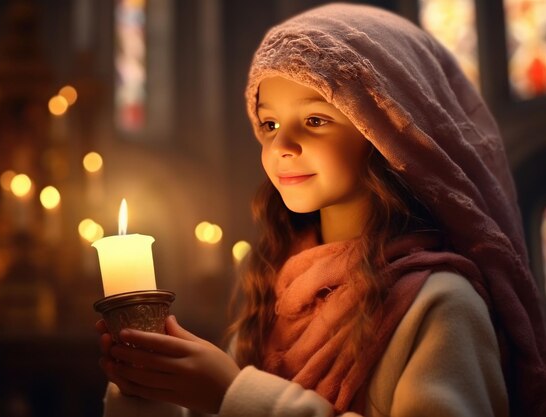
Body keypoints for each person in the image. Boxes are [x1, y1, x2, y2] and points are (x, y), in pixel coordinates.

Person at [95, 3, 546, 416]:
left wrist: (232, 393)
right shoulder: (275, 299)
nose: (282, 145)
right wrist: (150, 391)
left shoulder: (442, 304)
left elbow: (235, 400)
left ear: (385, 134)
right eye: (269, 124)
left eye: (314, 121)